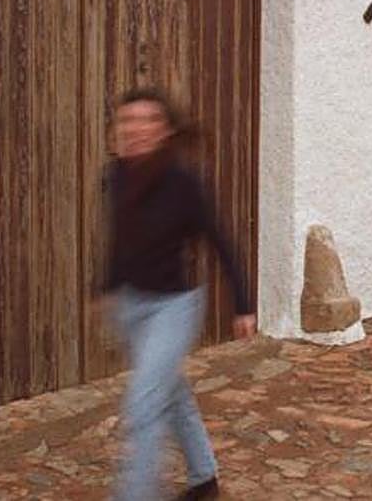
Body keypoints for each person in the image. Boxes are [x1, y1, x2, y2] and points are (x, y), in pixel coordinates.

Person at [100, 88, 256, 501]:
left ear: (164, 130)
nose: (136, 129)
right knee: (169, 391)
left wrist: (243, 304)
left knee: (144, 405)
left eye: (147, 120)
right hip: (132, 305)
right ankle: (204, 476)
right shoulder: (115, 176)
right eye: (128, 121)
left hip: (174, 306)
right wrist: (108, 287)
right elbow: (121, 238)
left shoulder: (184, 184)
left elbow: (220, 242)